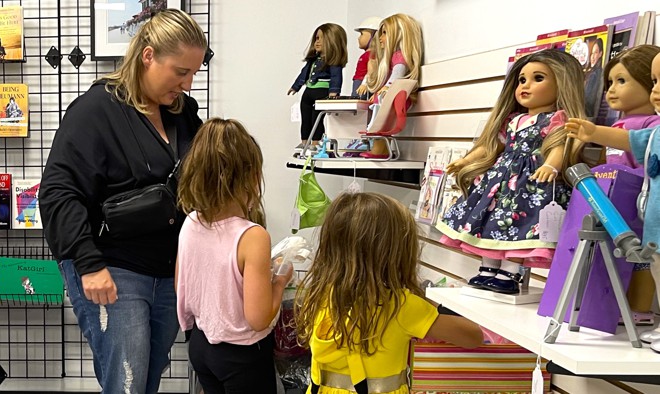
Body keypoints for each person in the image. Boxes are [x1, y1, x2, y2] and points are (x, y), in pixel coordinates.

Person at [39, 9, 207, 393]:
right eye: (180, 71)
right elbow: (58, 193)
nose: (188, 82)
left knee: (144, 383)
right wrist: (88, 263)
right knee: (126, 384)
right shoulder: (95, 111)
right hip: (112, 269)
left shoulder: (182, 116)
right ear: (148, 56)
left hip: (168, 272)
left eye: (194, 72)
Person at [294, 192, 483, 393]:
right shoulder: (401, 305)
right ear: (396, 253)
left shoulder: (321, 295)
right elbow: (472, 336)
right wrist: (433, 301)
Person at [436, 49, 587, 294]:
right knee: (491, 223)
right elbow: (491, 146)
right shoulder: (512, 120)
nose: (526, 85)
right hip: (501, 183)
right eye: (522, 80)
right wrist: (465, 161)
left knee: (519, 227)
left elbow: (559, 146)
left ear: (562, 83)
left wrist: (551, 165)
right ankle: (488, 269)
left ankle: (509, 272)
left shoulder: (555, 120)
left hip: (530, 186)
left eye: (539, 79)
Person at [175, 118, 293, 393]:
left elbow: (182, 286)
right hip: (242, 356)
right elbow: (258, 318)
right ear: (252, 177)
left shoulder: (191, 222)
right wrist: (279, 281)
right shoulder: (253, 236)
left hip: (202, 347)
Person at [565, 49, 660, 352]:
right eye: (655, 81)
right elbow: (631, 143)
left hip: (639, 212)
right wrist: (593, 131)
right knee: (654, 269)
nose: (656, 89)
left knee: (647, 268)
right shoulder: (652, 132)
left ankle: (642, 309)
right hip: (646, 220)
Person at [599, 45, 660, 324]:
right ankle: (617, 303)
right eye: (610, 82)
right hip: (617, 205)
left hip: (639, 207)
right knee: (623, 258)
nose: (611, 89)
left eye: (621, 81)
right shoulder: (619, 125)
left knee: (643, 261)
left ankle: (641, 308)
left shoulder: (651, 125)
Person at [362, 13, 423, 159]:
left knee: (380, 121)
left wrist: (387, 87)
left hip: (393, 96)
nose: (380, 38)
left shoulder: (399, 57)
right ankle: (380, 148)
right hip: (389, 96)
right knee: (380, 121)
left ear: (399, 35)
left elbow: (398, 73)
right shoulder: (392, 58)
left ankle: (379, 149)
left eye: (385, 33)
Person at [288, 23, 348, 147]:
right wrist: (296, 86)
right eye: (317, 38)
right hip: (308, 92)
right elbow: (304, 74)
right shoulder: (313, 60)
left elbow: (336, 77)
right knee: (305, 118)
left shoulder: (333, 62)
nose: (318, 42)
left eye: (322, 38)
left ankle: (316, 142)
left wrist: (334, 91)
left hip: (321, 92)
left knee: (316, 119)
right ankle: (305, 141)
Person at [352, 16, 382, 99]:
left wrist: (365, 83)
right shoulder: (367, 54)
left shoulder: (372, 55)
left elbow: (371, 71)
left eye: (362, 34)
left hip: (362, 83)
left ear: (374, 36)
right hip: (358, 81)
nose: (359, 38)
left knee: (360, 104)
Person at [584, 37, 604, 119]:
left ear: (600, 54)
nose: (592, 57)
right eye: (592, 53)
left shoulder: (595, 74)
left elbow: (589, 101)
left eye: (595, 53)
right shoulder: (594, 72)